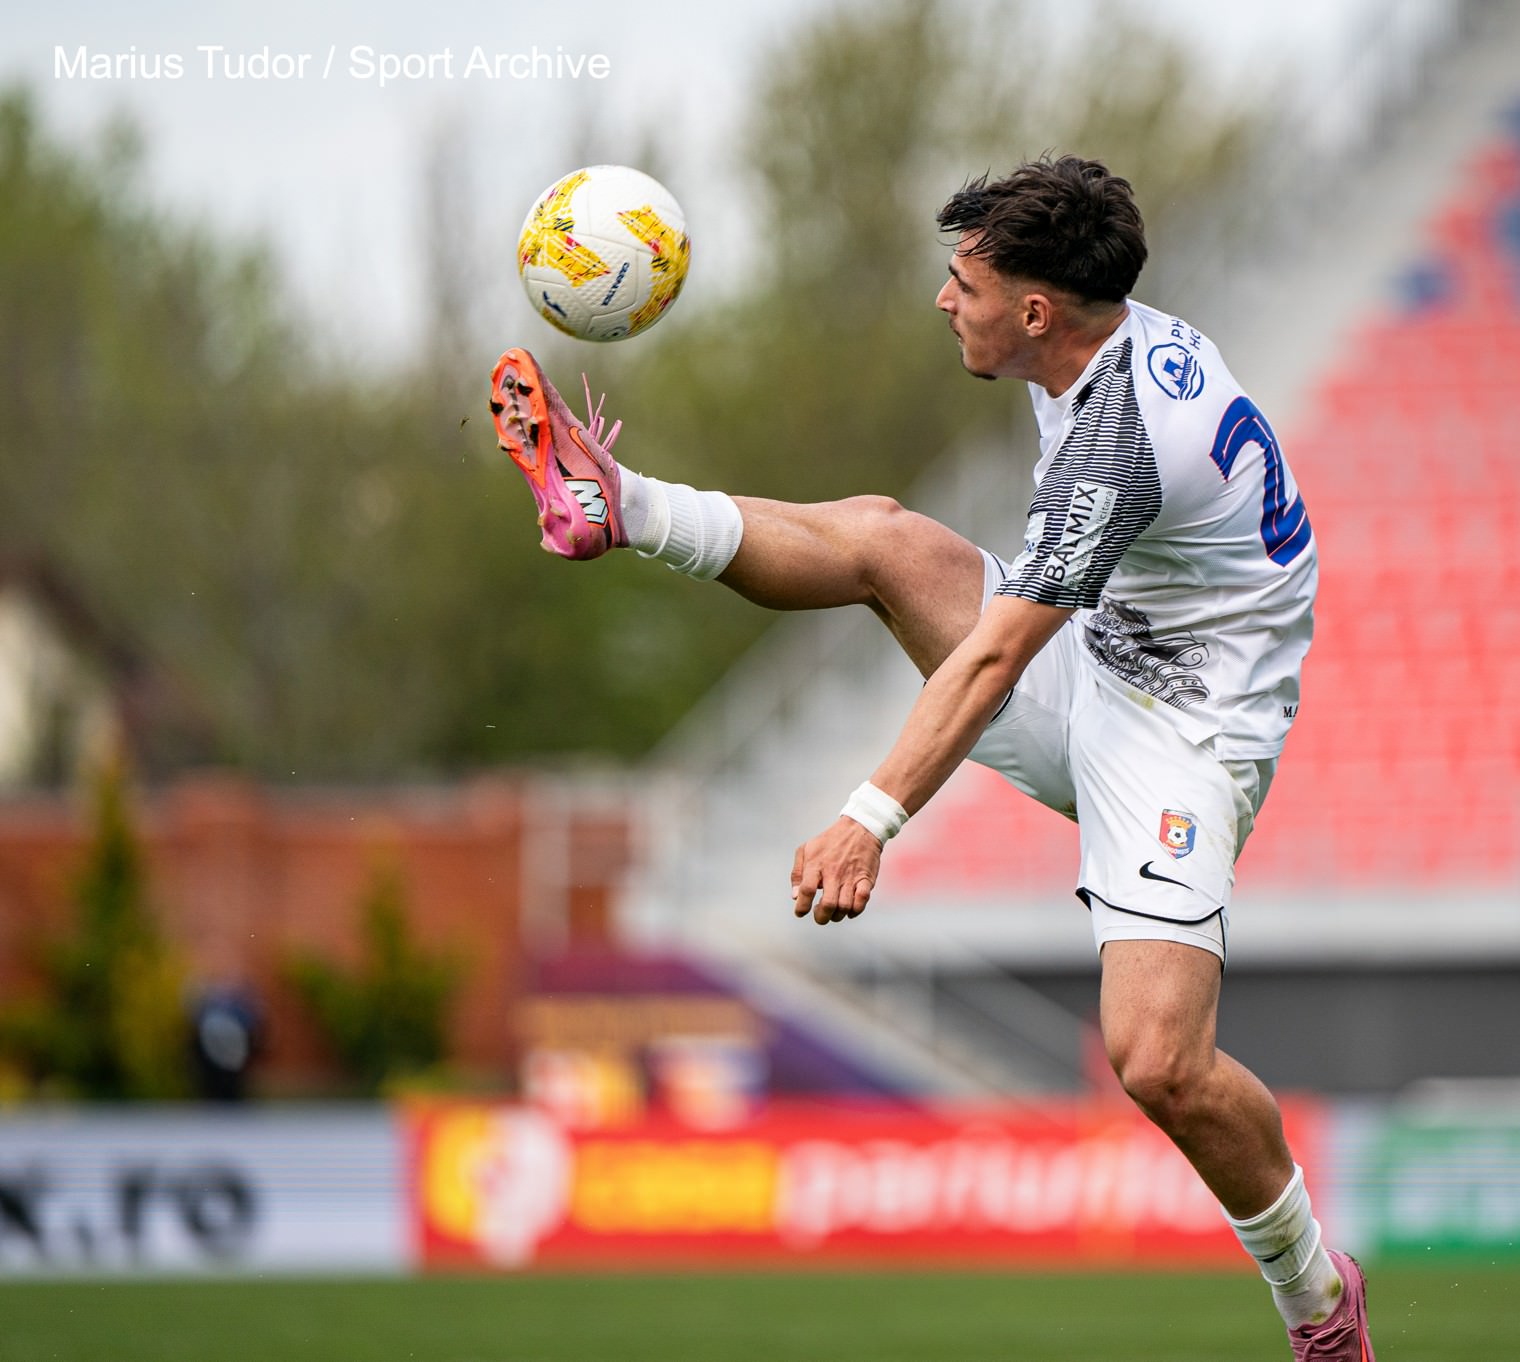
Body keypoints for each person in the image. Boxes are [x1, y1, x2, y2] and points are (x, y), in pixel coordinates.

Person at [487, 155, 1368, 1360]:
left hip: (1188, 730)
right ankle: (616, 502)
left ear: (1034, 312)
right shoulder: (1092, 343)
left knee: (1158, 1061)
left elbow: (995, 663)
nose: (944, 300)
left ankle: (1314, 1297)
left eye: (964, 281)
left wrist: (869, 817)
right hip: (1112, 654)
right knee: (885, 541)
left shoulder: (1119, 440)